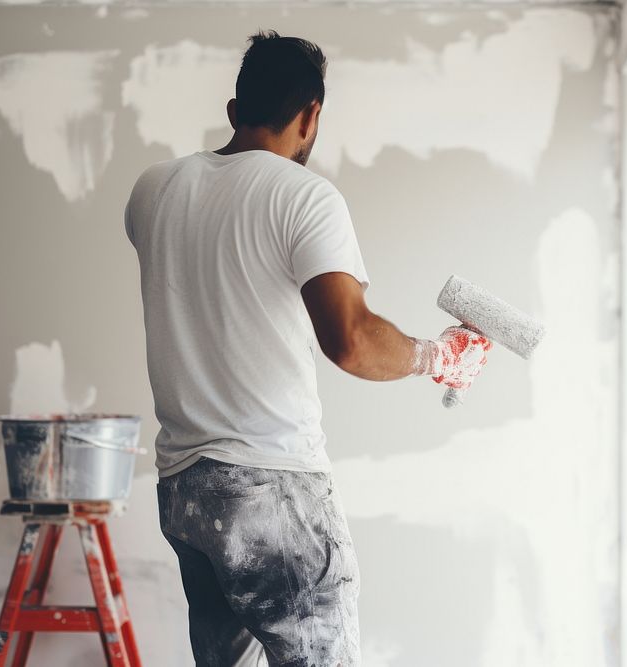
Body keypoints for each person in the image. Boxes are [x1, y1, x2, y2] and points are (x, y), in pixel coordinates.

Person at [124, 30, 491, 667]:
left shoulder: (153, 191)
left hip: (186, 490)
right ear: (311, 114)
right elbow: (350, 340)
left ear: (234, 110)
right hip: (272, 487)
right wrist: (438, 357)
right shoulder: (304, 197)